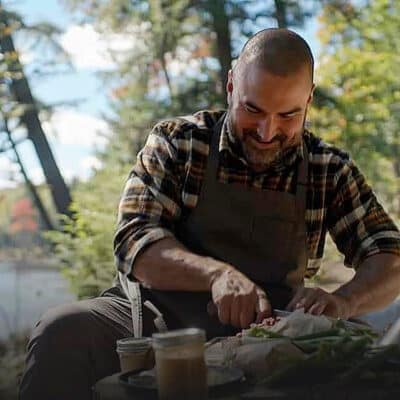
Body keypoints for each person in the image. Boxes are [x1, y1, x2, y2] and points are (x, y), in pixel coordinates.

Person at [20, 28, 400, 400]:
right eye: (253, 110)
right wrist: (217, 275)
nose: (268, 132)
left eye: (288, 115)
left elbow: (390, 257)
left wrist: (344, 301)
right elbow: (134, 240)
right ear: (231, 84)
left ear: (309, 101)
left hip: (272, 329)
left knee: (374, 358)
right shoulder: (179, 142)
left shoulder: (327, 168)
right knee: (63, 330)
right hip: (158, 317)